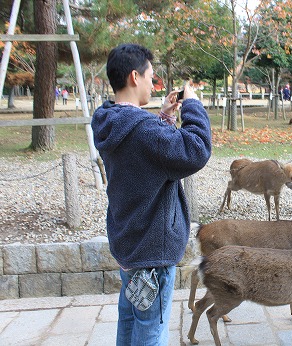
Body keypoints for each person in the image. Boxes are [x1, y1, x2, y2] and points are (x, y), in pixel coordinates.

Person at [91, 43, 212, 345]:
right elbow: (195, 150)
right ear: (134, 76)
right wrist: (194, 106)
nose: (152, 83)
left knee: (130, 323)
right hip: (152, 254)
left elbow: (144, 158)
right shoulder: (146, 132)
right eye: (150, 77)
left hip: (128, 245)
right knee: (151, 333)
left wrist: (164, 120)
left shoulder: (108, 122)